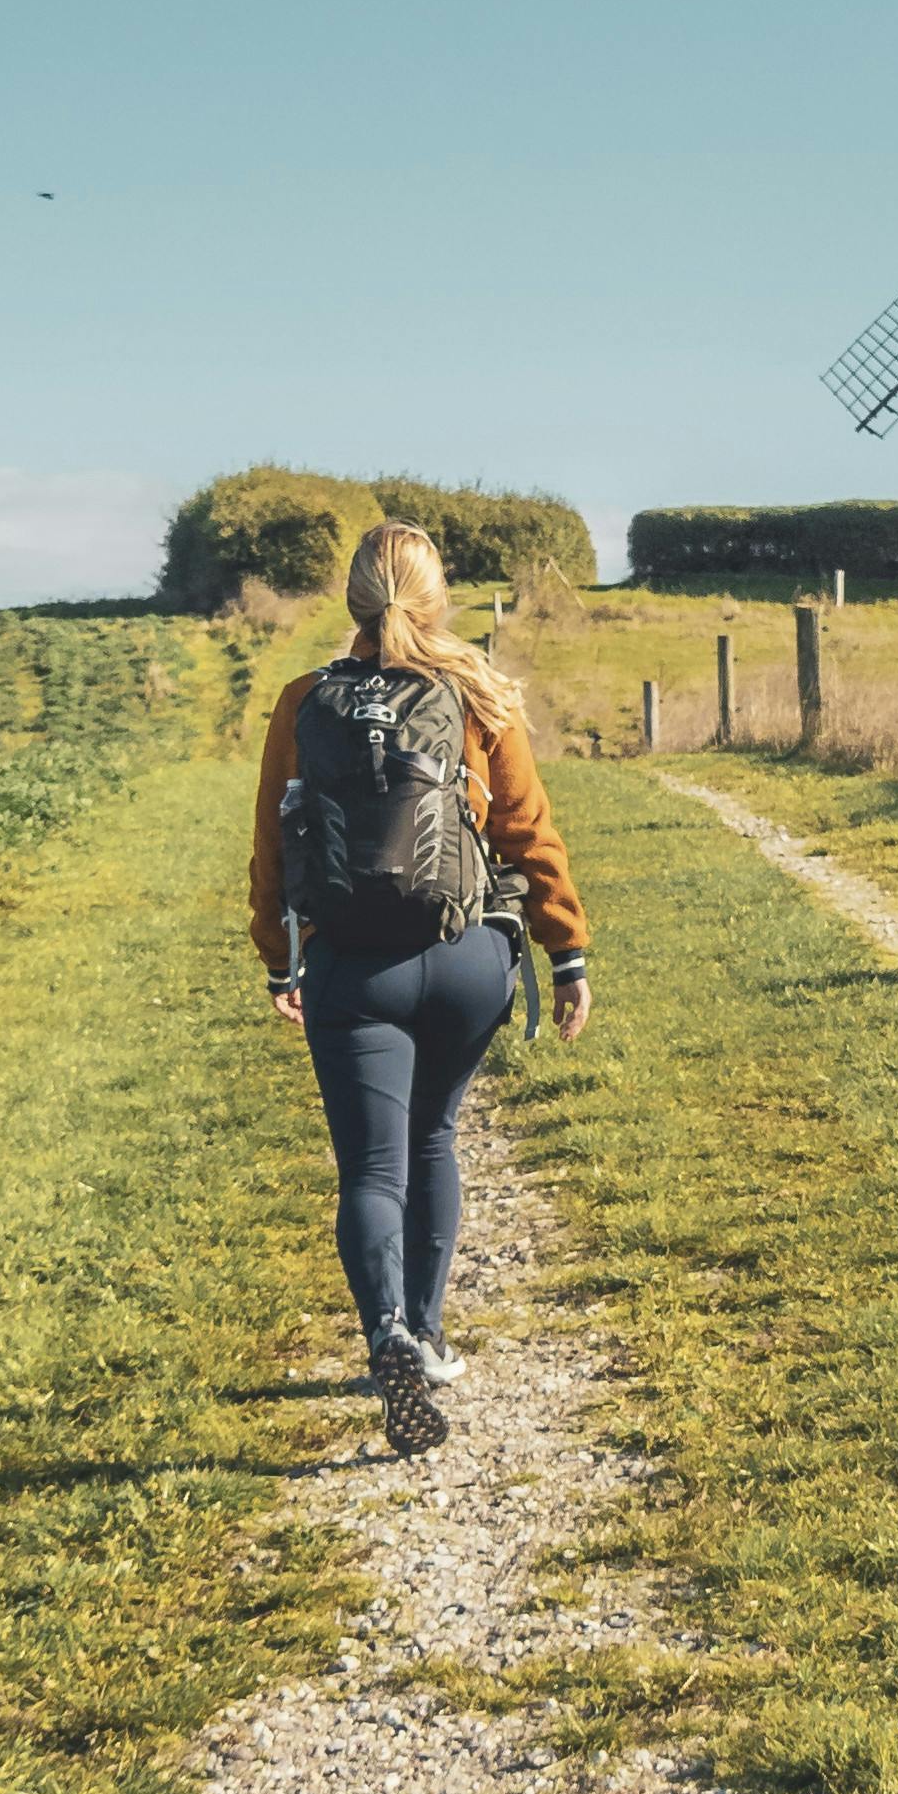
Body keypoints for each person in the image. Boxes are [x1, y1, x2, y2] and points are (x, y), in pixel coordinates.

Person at [252, 520, 591, 1457]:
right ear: (438, 601)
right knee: (435, 1132)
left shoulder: (304, 701)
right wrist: (567, 955)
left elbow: (275, 848)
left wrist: (279, 959)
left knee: (371, 1167)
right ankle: (431, 1337)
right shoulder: (479, 694)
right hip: (467, 959)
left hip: (353, 966)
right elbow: (528, 834)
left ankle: (385, 1336)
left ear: (352, 600)